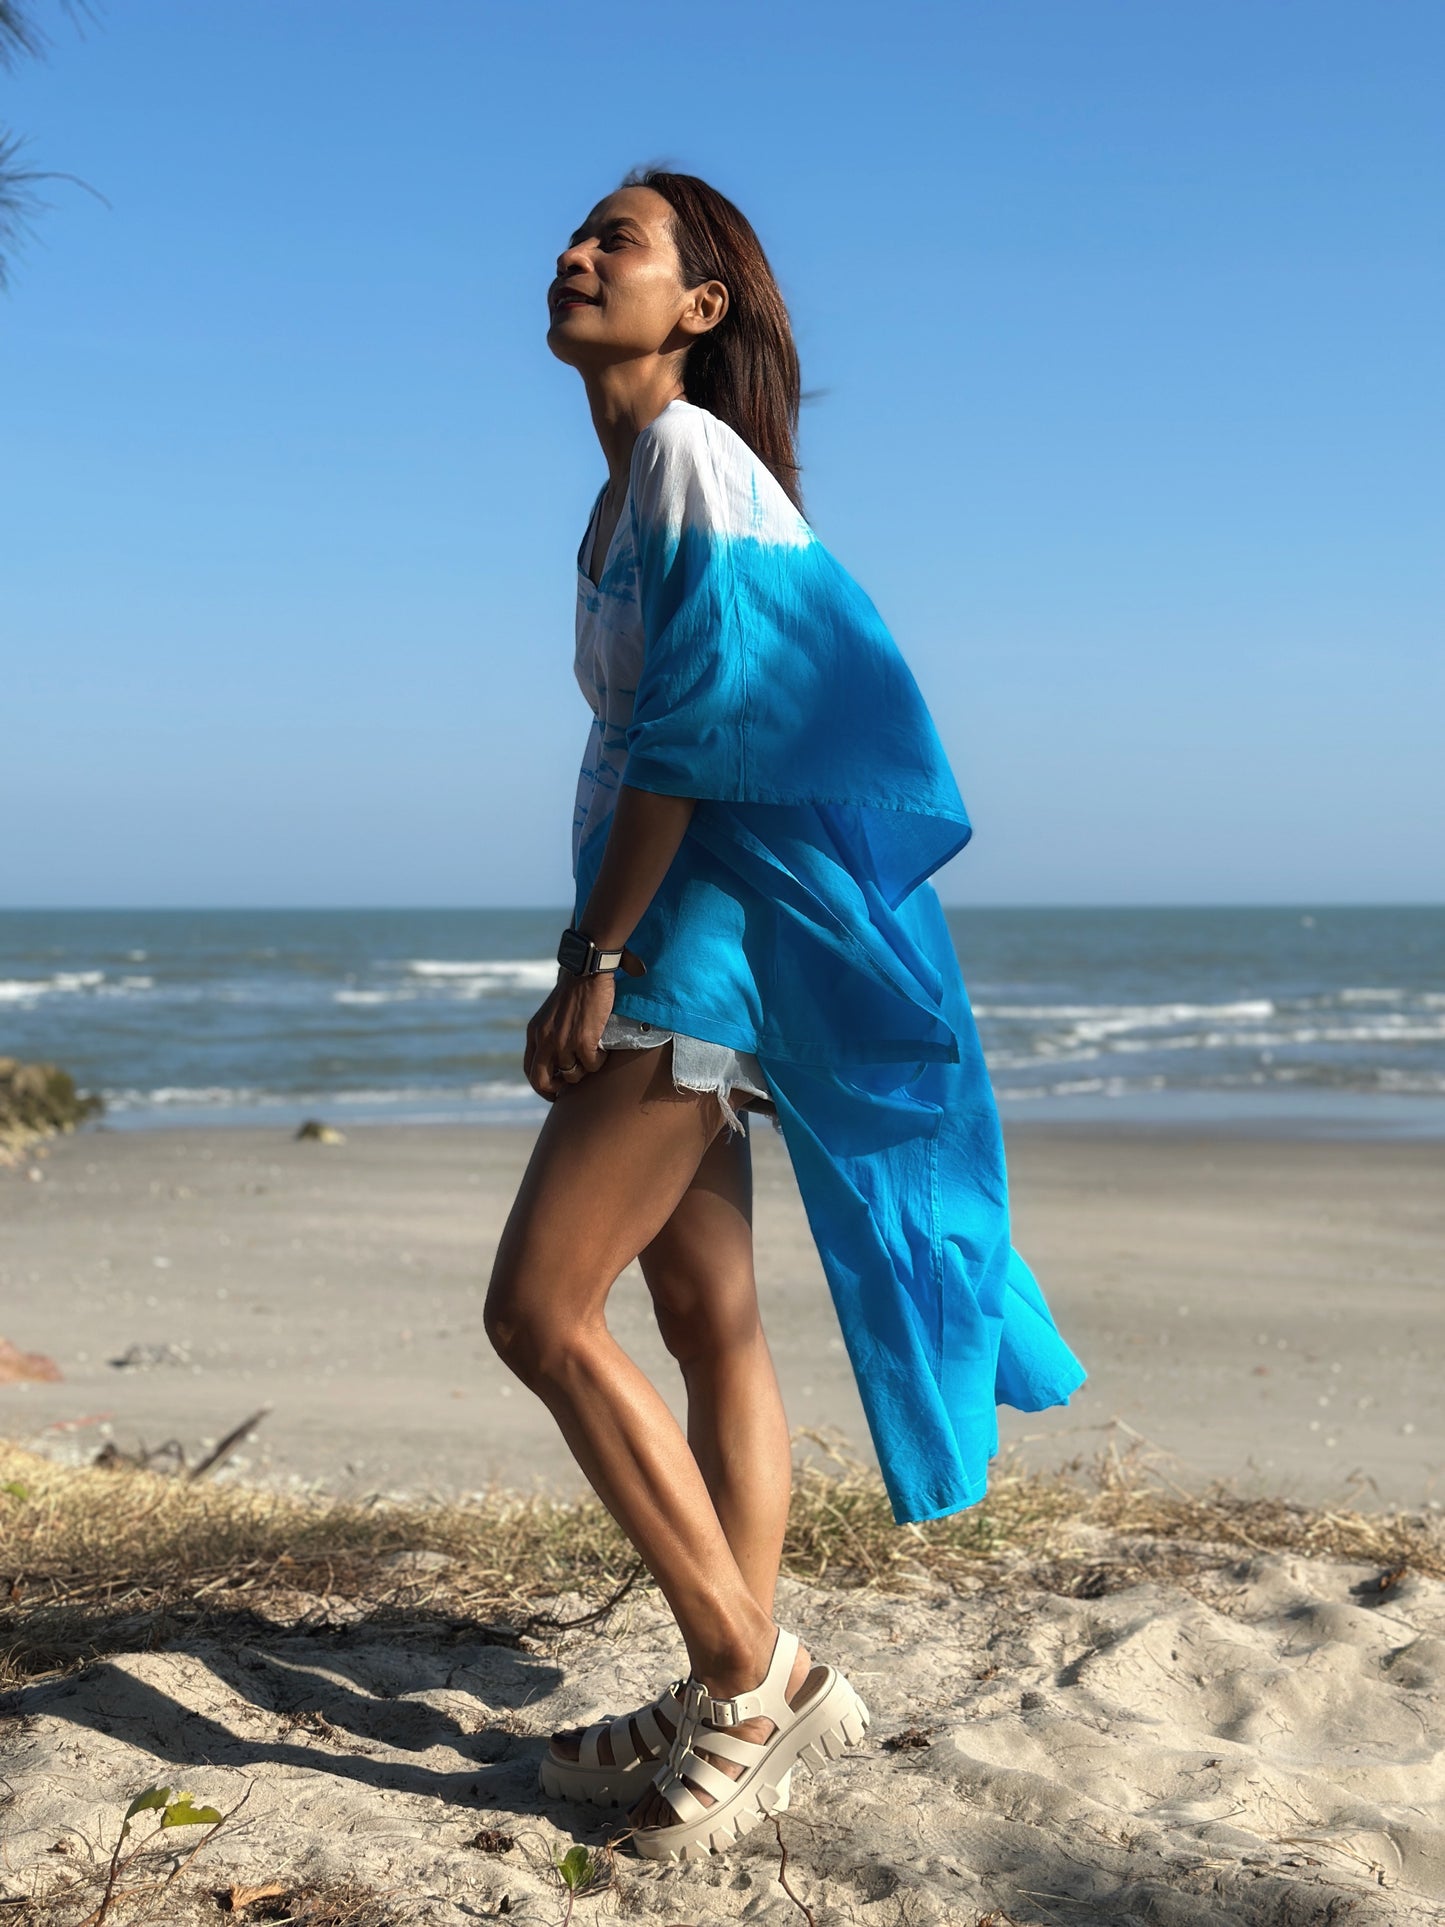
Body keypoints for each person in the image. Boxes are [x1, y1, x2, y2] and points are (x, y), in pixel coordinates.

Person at [483, 168, 1087, 1866]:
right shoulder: (622, 500)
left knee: (538, 1312)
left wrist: (593, 954)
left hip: (692, 953)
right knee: (703, 1318)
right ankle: (723, 1680)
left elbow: (698, 730)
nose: (574, 252)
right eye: (575, 231)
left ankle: (752, 1676)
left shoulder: (683, 455)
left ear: (699, 309)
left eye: (620, 242)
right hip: (694, 938)